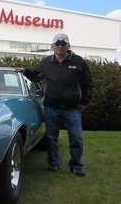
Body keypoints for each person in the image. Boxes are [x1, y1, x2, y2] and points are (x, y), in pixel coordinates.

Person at [15, 33, 93, 177]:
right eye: (57, 44)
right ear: (52, 46)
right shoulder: (46, 62)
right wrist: (25, 71)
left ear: (68, 46)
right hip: (51, 107)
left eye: (63, 44)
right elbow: (36, 76)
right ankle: (54, 163)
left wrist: (84, 102)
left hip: (72, 108)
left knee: (76, 138)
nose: (60, 46)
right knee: (51, 137)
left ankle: (76, 165)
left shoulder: (78, 61)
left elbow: (87, 83)